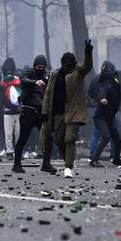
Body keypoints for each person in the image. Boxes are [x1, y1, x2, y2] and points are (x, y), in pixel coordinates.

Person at [42, 40, 93, 178]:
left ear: (74, 62)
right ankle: (68, 161)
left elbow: (87, 67)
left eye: (70, 62)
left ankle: (68, 167)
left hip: (74, 111)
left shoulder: (78, 72)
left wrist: (88, 53)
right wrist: (45, 112)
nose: (67, 64)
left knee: (69, 139)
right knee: (59, 140)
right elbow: (48, 93)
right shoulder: (55, 75)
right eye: (65, 61)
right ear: (62, 62)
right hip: (58, 112)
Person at [12, 55, 54, 174]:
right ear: (35, 66)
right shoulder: (29, 72)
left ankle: (46, 164)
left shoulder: (46, 76)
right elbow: (23, 80)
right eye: (38, 67)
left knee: (49, 138)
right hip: (28, 112)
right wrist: (35, 82)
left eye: (43, 67)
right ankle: (16, 164)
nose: (41, 69)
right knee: (23, 138)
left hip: (41, 112)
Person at [88, 61, 121, 166]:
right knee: (105, 137)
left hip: (108, 116)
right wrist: (101, 99)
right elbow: (103, 91)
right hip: (101, 116)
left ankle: (116, 159)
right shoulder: (106, 84)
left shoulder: (113, 83)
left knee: (117, 139)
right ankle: (94, 159)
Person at [0, 58, 22, 158]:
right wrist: (15, 107)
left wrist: (20, 105)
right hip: (8, 111)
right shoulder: (1, 83)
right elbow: (2, 99)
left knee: (18, 133)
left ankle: (18, 151)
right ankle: (9, 152)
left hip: (17, 111)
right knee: (8, 134)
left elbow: (22, 94)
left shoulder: (18, 81)